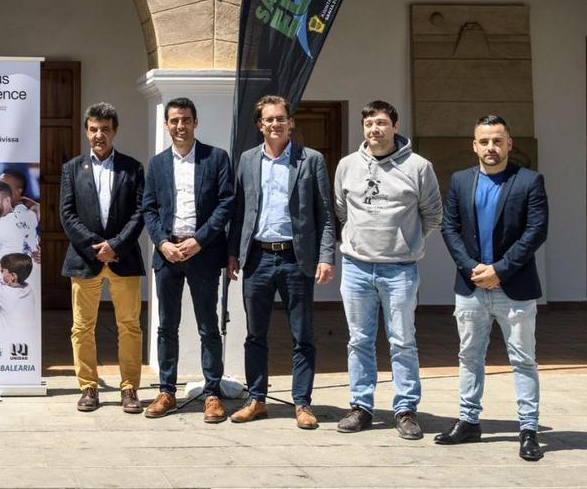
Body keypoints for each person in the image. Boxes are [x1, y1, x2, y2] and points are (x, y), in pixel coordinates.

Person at [435, 115, 548, 461]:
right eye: (484, 141)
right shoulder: (459, 181)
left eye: (497, 141)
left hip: (513, 287)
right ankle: (469, 422)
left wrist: (499, 270)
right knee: (469, 357)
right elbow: (449, 228)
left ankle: (528, 429)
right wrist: (473, 269)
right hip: (470, 287)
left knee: (523, 360)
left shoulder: (529, 181)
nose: (491, 148)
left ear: (509, 144)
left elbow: (536, 231)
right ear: (474, 145)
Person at [334, 100, 442, 440]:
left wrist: (406, 243)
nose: (374, 130)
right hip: (356, 267)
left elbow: (433, 214)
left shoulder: (419, 167)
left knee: (403, 341)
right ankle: (361, 407)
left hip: (399, 270)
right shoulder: (347, 166)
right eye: (368, 124)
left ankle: (406, 409)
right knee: (359, 340)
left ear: (394, 125)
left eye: (381, 123)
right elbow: (341, 210)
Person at [225, 95, 335, 430]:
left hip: (295, 258)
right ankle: (256, 399)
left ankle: (302, 403)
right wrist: (233, 253)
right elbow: (239, 211)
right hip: (257, 257)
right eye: (269, 119)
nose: (275, 124)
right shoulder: (246, 160)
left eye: (281, 118)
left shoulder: (310, 160)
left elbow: (325, 214)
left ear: (291, 122)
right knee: (255, 334)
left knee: (303, 335)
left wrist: (326, 256)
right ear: (260, 124)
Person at [140, 97, 235, 421]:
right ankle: (166, 391)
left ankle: (212, 394)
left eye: (185, 120)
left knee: (209, 326)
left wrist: (199, 239)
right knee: (167, 326)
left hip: (203, 254)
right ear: (166, 125)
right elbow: (149, 208)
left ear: (195, 122)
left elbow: (226, 204)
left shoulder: (216, 158)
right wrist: (162, 242)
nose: (180, 126)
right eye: (174, 121)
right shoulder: (157, 164)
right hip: (168, 255)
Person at [59, 102, 146, 414]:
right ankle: (88, 387)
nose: (99, 135)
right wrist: (98, 245)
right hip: (85, 259)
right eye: (94, 129)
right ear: (86, 131)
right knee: (82, 327)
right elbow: (67, 215)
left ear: (115, 131)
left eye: (105, 129)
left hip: (124, 259)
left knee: (130, 325)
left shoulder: (133, 168)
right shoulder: (71, 168)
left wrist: (116, 246)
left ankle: (129, 388)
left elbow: (140, 213)